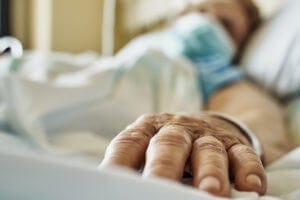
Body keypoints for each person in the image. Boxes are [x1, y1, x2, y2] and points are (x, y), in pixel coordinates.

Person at [99, 0, 296, 197]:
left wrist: (222, 128)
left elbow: (259, 117)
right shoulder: (142, 50)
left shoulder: (224, 81)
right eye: (200, 11)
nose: (205, 22)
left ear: (242, 45)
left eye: (225, 24)